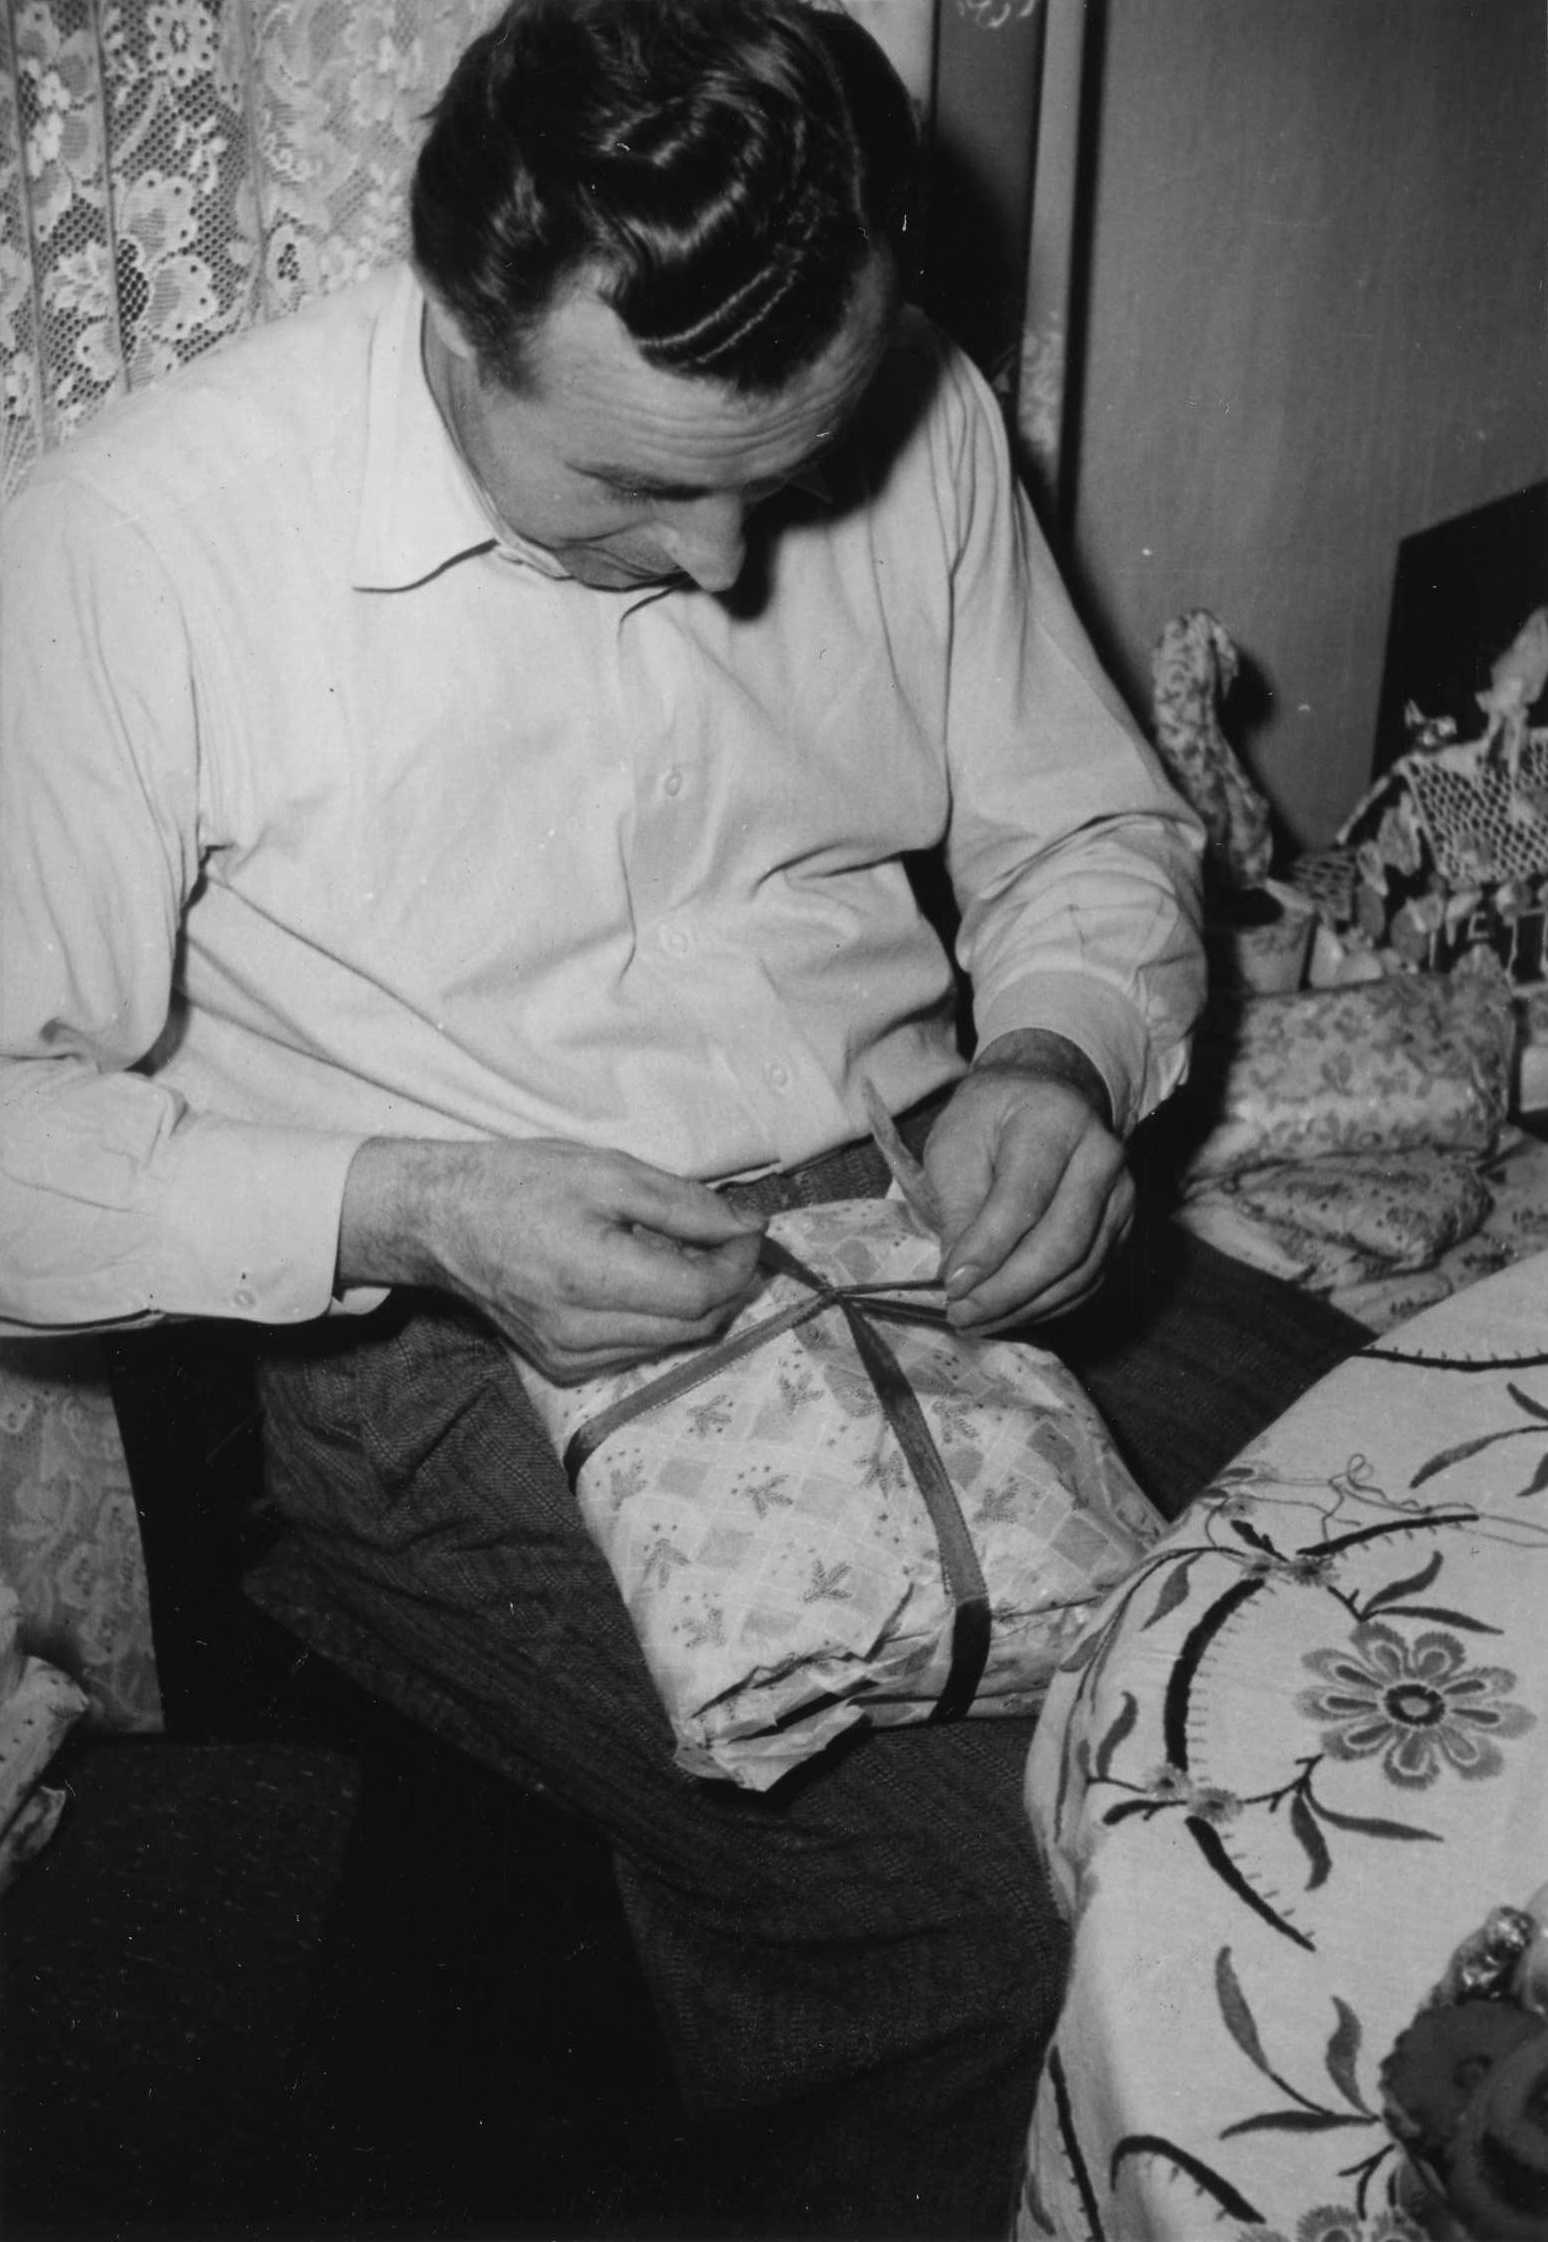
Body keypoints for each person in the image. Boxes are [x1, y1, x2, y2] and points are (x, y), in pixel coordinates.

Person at [0, 2, 1365, 2232]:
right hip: (451, 1335)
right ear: (457, 322)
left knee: (1458, 1583)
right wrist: (409, 1205)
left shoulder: (919, 402)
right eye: (637, 485)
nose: (731, 562)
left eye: (788, 472)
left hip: (931, 1204)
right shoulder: (137, 544)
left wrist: (1053, 1055)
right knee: (1030, 1905)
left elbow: (1088, 831)